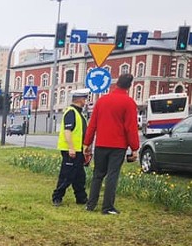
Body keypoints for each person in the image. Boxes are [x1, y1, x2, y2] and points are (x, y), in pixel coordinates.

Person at [82, 73, 140, 215]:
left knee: (98, 174)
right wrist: (135, 148)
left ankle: (91, 204)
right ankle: (107, 207)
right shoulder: (129, 103)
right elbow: (131, 127)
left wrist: (87, 143)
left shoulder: (102, 101)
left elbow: (92, 124)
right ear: (129, 86)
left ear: (117, 82)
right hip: (118, 146)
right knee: (112, 176)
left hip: (101, 143)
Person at [52, 88, 90, 207]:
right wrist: (71, 148)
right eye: (85, 99)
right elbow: (67, 131)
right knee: (67, 175)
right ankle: (57, 197)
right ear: (79, 100)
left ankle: (81, 198)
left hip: (77, 150)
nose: (86, 102)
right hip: (71, 150)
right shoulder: (71, 112)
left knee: (79, 176)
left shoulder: (79, 113)